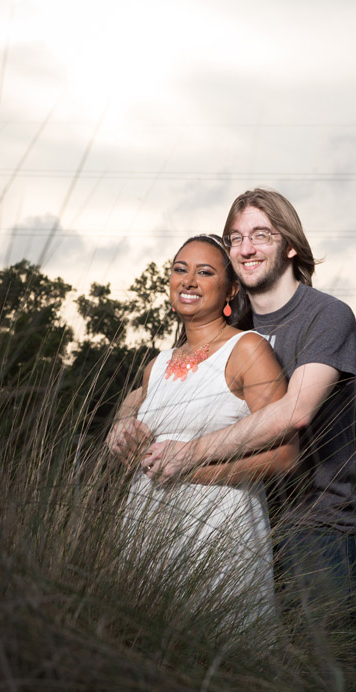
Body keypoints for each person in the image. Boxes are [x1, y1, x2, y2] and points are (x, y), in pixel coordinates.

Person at [141, 190, 356, 644]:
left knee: (325, 667)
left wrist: (190, 456)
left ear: (291, 245)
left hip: (314, 523)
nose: (245, 248)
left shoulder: (327, 316)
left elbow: (295, 412)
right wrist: (126, 420)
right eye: (235, 237)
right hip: (240, 516)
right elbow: (163, 380)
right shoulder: (231, 322)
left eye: (261, 235)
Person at [107, 233, 298, 628]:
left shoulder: (248, 350)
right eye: (180, 269)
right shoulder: (158, 363)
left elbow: (286, 456)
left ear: (230, 288)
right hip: (145, 530)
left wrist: (194, 472)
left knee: (223, 660)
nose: (188, 280)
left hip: (220, 533)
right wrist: (121, 428)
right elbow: (135, 400)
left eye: (204, 272)